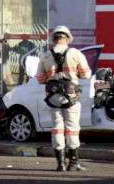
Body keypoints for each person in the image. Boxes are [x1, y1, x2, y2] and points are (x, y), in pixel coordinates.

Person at [36, 25, 91, 172]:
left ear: (54, 39)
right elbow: (86, 74)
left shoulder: (46, 55)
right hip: (71, 97)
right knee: (72, 129)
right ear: (67, 38)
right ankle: (73, 163)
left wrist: (52, 76)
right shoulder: (75, 53)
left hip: (53, 98)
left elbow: (40, 79)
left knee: (57, 129)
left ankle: (60, 164)